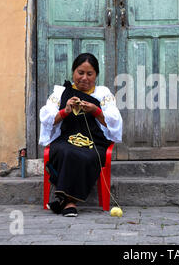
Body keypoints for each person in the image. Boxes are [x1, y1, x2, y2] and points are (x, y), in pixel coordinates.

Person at [39, 53, 122, 217]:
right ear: (73, 72)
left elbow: (113, 124)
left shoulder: (103, 94)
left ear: (96, 75)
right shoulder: (61, 93)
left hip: (94, 142)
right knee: (66, 152)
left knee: (84, 156)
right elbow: (49, 121)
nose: (84, 78)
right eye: (80, 73)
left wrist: (95, 110)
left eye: (89, 74)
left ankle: (66, 201)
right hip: (65, 139)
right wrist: (65, 111)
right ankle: (69, 202)